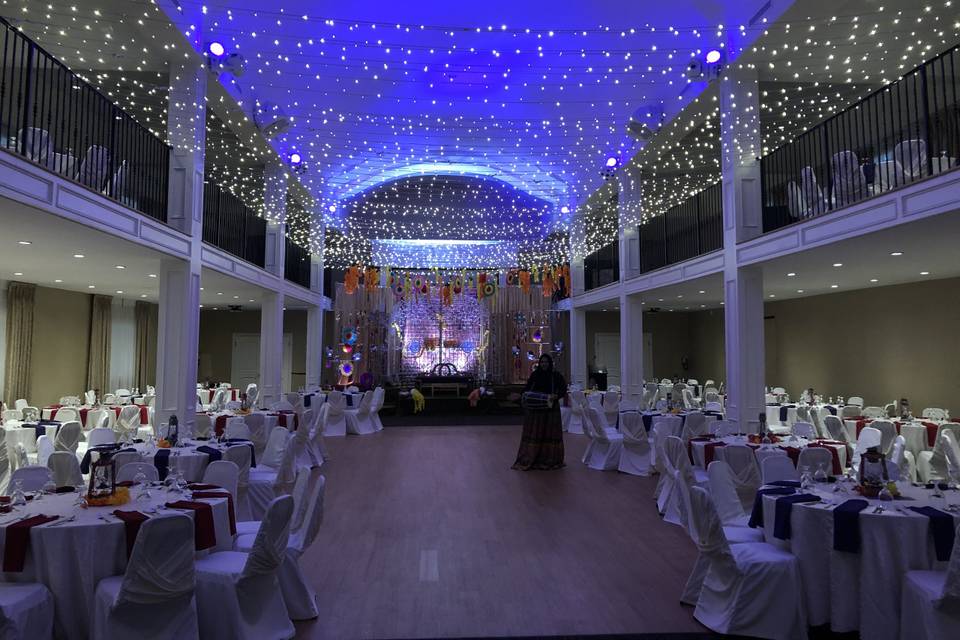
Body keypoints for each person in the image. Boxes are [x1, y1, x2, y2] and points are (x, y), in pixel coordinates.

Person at [512, 354, 566, 470]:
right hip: (536, 412)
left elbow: (563, 389)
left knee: (550, 434)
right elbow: (528, 389)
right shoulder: (535, 375)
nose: (544, 364)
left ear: (550, 363)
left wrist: (556, 396)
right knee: (536, 433)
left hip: (551, 410)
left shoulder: (556, 376)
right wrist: (521, 396)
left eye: (546, 362)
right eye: (542, 362)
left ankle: (550, 459)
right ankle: (534, 457)